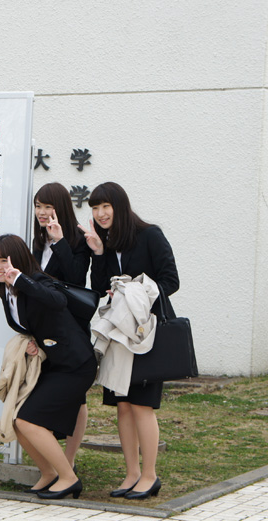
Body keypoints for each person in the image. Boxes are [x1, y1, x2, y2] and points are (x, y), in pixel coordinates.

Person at [79, 182, 180, 501]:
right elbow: (96, 289)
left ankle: (150, 475)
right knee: (122, 406)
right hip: (117, 336)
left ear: (119, 206)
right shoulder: (106, 244)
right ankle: (132, 474)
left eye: (105, 206)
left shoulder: (150, 235)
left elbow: (171, 280)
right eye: (95, 208)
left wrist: (135, 290)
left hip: (145, 333)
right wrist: (97, 253)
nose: (100, 213)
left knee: (142, 405)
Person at [0, 234, 97, 500]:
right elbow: (32, 323)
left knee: (28, 419)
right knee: (19, 421)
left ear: (19, 260)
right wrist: (32, 343)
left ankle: (69, 478)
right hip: (53, 364)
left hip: (75, 364)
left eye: (4, 260)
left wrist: (20, 279)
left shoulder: (35, 281)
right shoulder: (6, 291)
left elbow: (57, 301)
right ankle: (48, 473)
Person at [31, 182, 92, 467]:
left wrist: (59, 243)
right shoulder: (34, 238)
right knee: (44, 390)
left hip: (71, 329)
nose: (41, 213)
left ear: (61, 208)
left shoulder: (77, 238)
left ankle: (68, 459)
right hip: (41, 328)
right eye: (38, 206)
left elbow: (76, 278)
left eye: (48, 207)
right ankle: (51, 456)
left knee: (75, 397)